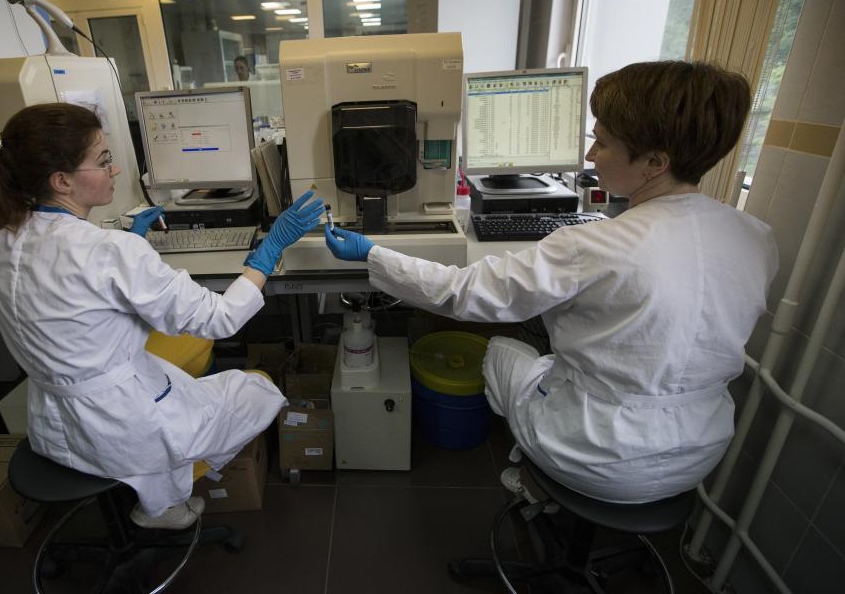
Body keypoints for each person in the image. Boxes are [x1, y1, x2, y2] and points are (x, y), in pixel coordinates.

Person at [325, 61, 779, 504]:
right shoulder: (756, 238)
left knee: (501, 351)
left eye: (601, 143)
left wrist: (372, 254)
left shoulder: (594, 243)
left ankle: (536, 484)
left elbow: (463, 293)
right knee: (555, 360)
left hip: (598, 454)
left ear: (655, 162)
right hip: (699, 453)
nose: (589, 156)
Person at [0, 103, 323, 528]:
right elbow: (221, 318)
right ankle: (163, 502)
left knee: (189, 347)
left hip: (54, 425)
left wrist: (127, 243)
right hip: (122, 431)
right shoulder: (108, 252)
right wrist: (269, 252)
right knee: (258, 389)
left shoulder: (1, 234)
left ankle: (157, 479)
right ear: (62, 180)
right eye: (103, 161)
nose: (115, 170)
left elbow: (71, 291)